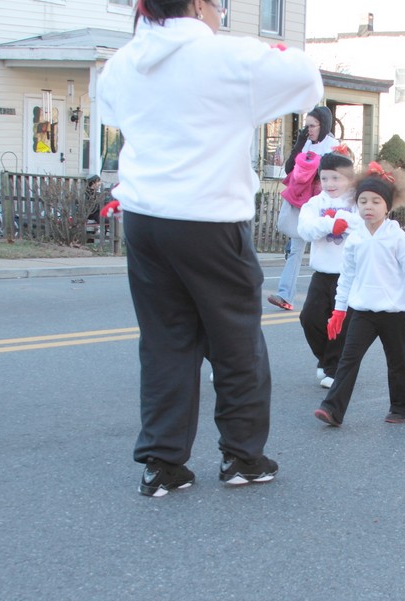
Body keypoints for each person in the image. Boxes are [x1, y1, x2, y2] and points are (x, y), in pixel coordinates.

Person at [97, 0, 323, 496]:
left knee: (165, 341)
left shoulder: (120, 63)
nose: (221, 12)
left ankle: (163, 464)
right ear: (199, 4)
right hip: (208, 219)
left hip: (143, 219)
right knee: (235, 340)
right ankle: (242, 457)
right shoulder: (227, 58)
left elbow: (117, 114)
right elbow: (306, 76)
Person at [313, 161, 405, 427]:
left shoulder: (398, 239)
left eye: (375, 201)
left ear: (388, 206)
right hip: (361, 312)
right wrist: (339, 311)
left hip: (393, 313)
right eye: (363, 201)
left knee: (396, 361)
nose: (368, 207)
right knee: (348, 361)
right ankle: (333, 409)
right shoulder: (355, 239)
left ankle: (402, 406)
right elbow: (347, 278)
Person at [296, 145, 358, 389]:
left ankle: (333, 367)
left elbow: (363, 224)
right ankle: (327, 359)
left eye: (336, 178)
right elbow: (305, 229)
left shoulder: (355, 202)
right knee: (310, 318)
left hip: (348, 274)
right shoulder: (313, 203)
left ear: (348, 179)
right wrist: (330, 223)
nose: (330, 183)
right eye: (324, 178)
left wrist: (345, 223)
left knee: (340, 323)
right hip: (322, 273)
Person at [268, 106, 339, 311]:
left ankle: (337, 299)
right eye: (306, 126)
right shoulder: (306, 143)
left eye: (312, 126)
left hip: (323, 206)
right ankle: (284, 295)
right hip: (303, 203)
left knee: (329, 249)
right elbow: (290, 168)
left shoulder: (333, 145)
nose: (308, 130)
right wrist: (299, 144)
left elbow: (336, 175)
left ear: (323, 125)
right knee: (295, 250)